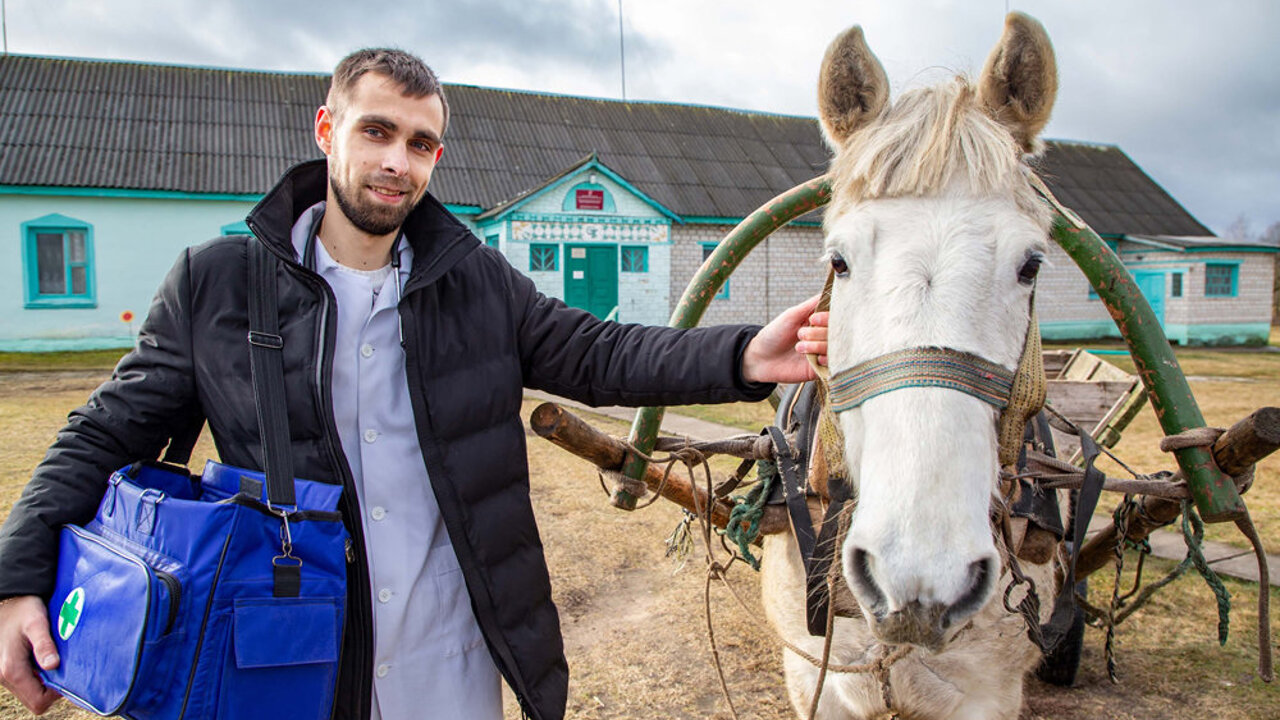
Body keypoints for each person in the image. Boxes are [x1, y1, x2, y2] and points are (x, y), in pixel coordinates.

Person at [0, 49, 829, 720]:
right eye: (377, 133)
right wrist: (17, 580)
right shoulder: (217, 284)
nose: (398, 162)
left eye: (421, 143)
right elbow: (104, 433)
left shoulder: (475, 280)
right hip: (288, 650)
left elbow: (597, 352)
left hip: (451, 653)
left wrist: (747, 355)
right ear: (328, 130)